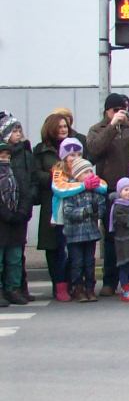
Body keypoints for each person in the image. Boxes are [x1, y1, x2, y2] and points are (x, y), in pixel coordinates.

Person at [85, 93, 129, 296]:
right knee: (110, 235)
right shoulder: (97, 129)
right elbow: (93, 150)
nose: (120, 113)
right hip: (109, 188)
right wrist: (112, 126)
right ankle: (110, 280)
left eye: (123, 110)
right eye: (116, 110)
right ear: (107, 111)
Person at [53, 144, 108, 302]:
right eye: (85, 172)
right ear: (77, 175)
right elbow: (68, 212)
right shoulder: (71, 190)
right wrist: (87, 211)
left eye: (90, 171)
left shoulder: (94, 189)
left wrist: (97, 211)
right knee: (77, 262)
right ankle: (78, 287)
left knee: (90, 262)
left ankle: (90, 288)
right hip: (74, 233)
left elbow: (101, 206)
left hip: (91, 232)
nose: (89, 174)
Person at [33, 113, 72, 301]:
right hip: (51, 202)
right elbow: (35, 174)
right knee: (53, 246)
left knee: (71, 245)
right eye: (59, 127)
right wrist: (55, 176)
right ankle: (58, 284)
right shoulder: (41, 150)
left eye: (65, 126)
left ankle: (72, 283)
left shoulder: (73, 146)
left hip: (71, 200)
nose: (63, 130)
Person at [0, 135, 34, 305]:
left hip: (16, 223)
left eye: (7, 155)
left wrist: (21, 212)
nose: (5, 158)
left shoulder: (17, 173)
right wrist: (6, 213)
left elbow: (26, 193)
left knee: (15, 259)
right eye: (1, 155)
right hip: (2, 223)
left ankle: (13, 289)